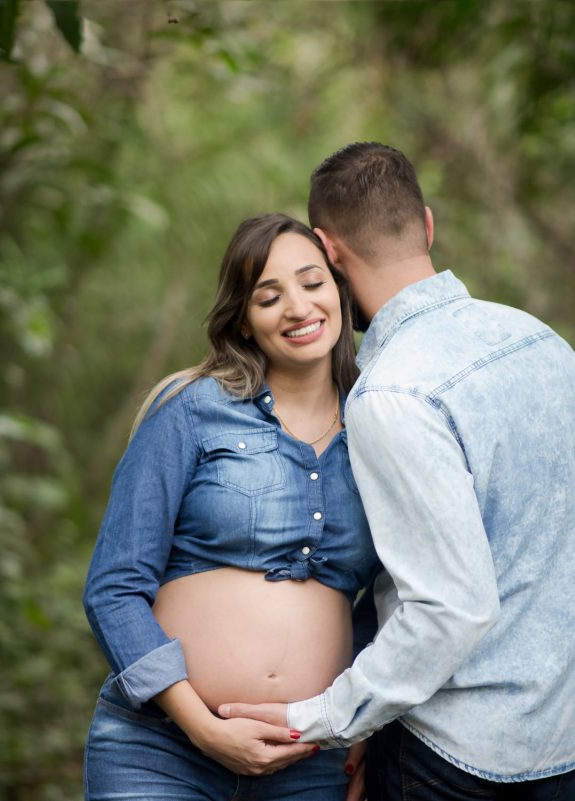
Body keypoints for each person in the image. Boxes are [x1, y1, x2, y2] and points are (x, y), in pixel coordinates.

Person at [219, 143, 575, 800]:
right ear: (425, 225)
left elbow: (453, 606)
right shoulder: (543, 342)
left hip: (451, 758)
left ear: (327, 250)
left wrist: (326, 717)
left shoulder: (393, 393)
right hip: (560, 747)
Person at [81, 213, 380, 800]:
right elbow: (113, 586)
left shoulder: (384, 426)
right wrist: (203, 727)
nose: (297, 307)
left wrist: (366, 721)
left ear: (340, 292)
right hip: (162, 748)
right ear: (243, 320)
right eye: (269, 297)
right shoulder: (191, 409)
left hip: (313, 757)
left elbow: (394, 600)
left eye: (312, 283)